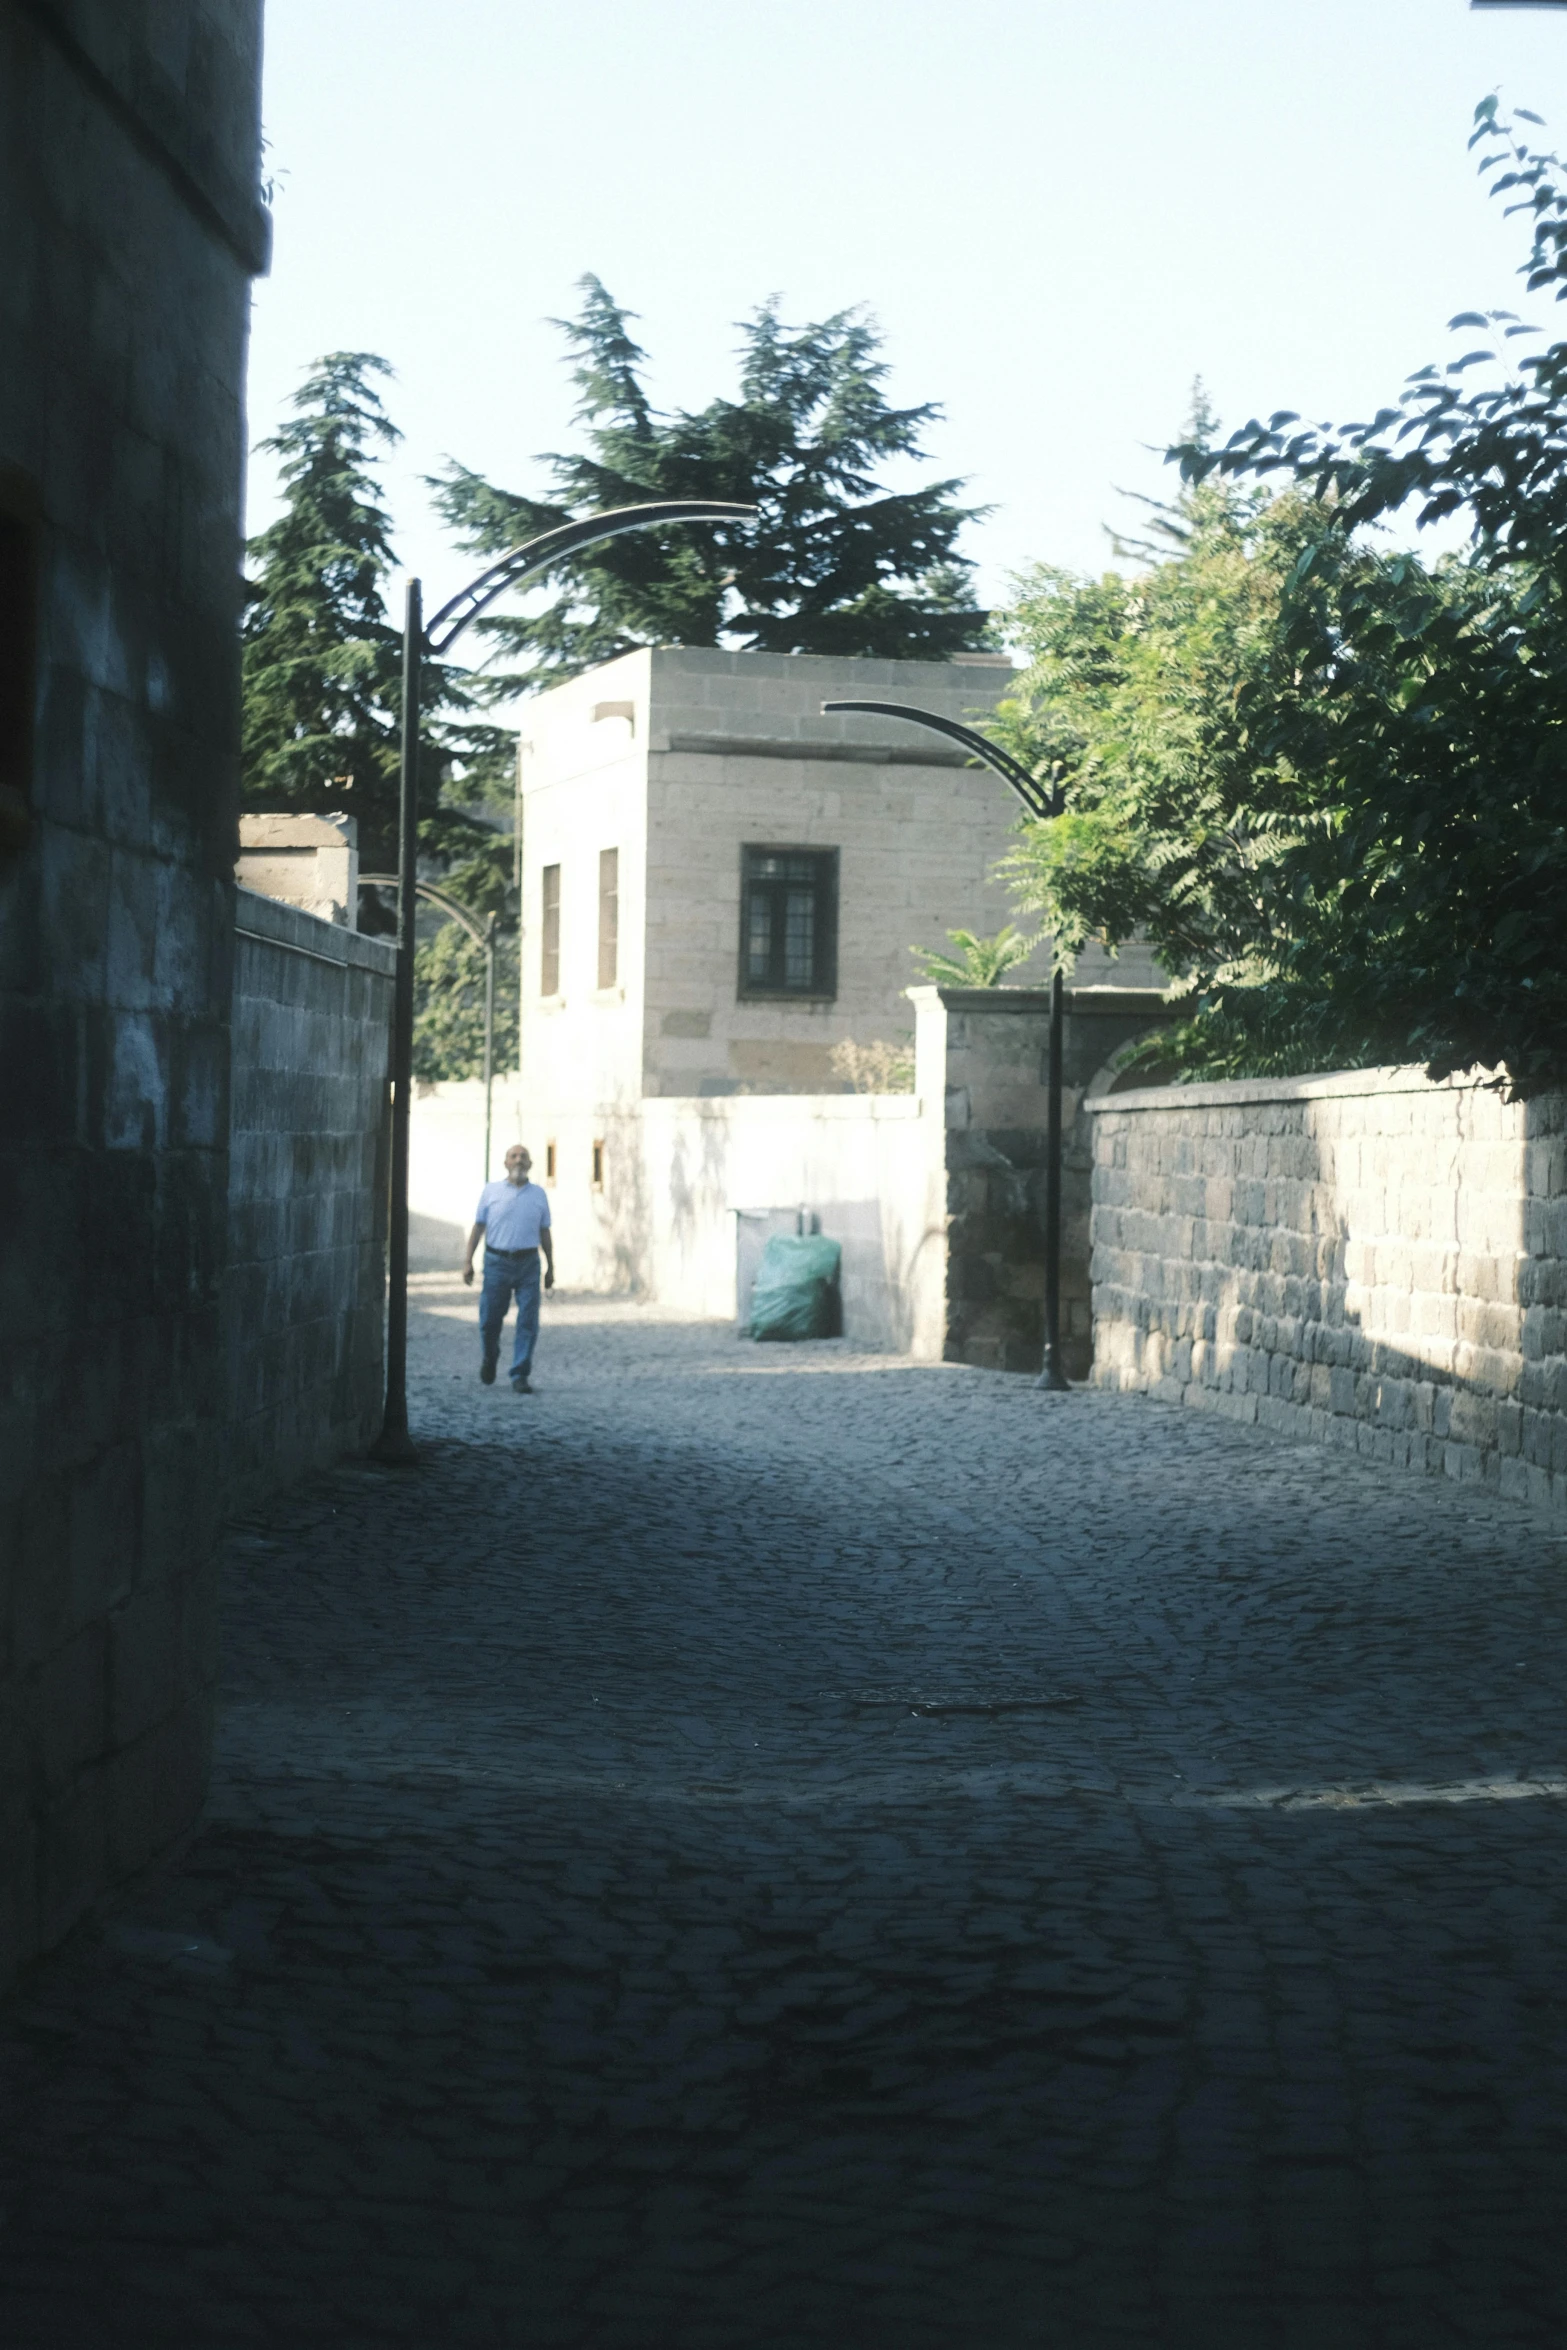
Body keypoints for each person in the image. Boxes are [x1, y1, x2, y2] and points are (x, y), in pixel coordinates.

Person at [462, 1144, 554, 1392]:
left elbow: (544, 1232)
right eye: (514, 1156)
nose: (519, 1160)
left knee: (528, 1320)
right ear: (505, 1163)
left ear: (531, 1164)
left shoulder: (538, 1195)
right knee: (490, 1320)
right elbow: (478, 1227)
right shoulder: (491, 1192)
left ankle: (519, 1373)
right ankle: (490, 1357)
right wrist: (468, 1261)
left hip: (528, 1264)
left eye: (524, 1156)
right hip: (496, 1263)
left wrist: (550, 1268)